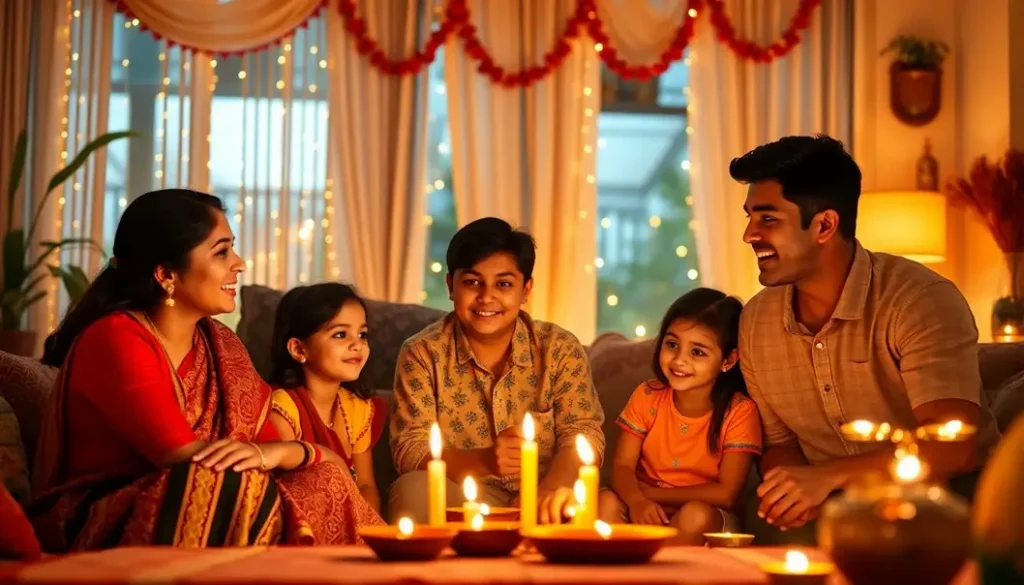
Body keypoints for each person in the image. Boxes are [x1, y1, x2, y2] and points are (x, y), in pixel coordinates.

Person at [30, 189, 382, 551]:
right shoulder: (116, 337)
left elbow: (266, 450)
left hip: (217, 500)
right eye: (222, 251)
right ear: (167, 274)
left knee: (320, 480)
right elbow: (188, 458)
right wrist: (289, 454)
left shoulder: (221, 345)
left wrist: (305, 454)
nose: (239, 263)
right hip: (105, 519)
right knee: (223, 482)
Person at [732, 135, 1000, 542]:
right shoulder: (755, 321)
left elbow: (952, 447)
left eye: (767, 219)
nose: (750, 234)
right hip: (832, 507)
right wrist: (794, 487)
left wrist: (826, 477)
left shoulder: (919, 301)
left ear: (824, 225)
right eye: (750, 217)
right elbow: (779, 444)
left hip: (944, 497)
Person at [388, 217, 605, 523]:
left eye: (503, 284)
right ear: (451, 285)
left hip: (548, 496)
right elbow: (409, 449)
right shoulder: (422, 353)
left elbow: (583, 432)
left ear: (525, 289)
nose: (486, 296)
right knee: (412, 489)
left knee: (584, 502)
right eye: (472, 282)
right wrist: (484, 460)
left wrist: (548, 489)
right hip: (466, 498)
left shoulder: (559, 348)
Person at [598, 288, 762, 544]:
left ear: (728, 360)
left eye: (697, 352)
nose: (679, 360)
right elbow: (622, 466)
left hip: (706, 515)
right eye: (672, 344)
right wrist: (638, 501)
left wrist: (652, 495)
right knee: (605, 502)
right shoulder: (647, 395)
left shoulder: (740, 412)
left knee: (694, 515)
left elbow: (726, 493)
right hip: (643, 506)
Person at [267, 282, 386, 513]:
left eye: (363, 334)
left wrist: (369, 533)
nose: (357, 344)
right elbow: (288, 491)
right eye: (341, 334)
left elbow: (365, 485)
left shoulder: (357, 408)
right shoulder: (282, 408)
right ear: (299, 350)